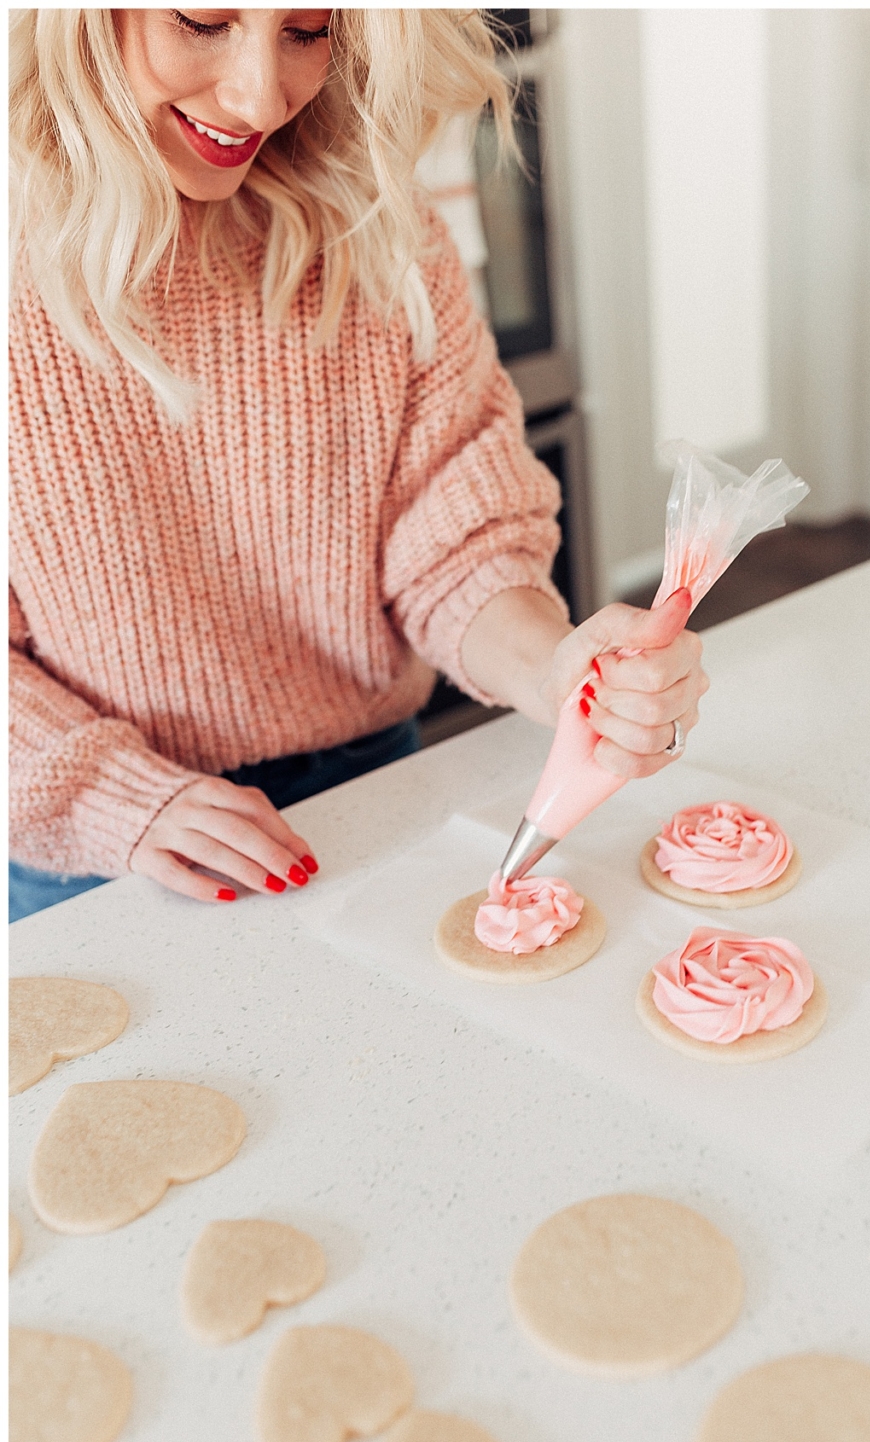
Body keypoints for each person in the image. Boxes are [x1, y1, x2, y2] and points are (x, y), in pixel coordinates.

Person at [9, 8, 707, 923]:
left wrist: (555, 669)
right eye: (203, 20)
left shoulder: (380, 227)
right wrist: (117, 800)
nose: (263, 96)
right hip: (93, 848)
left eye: (307, 29)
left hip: (370, 784)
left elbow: (453, 543)